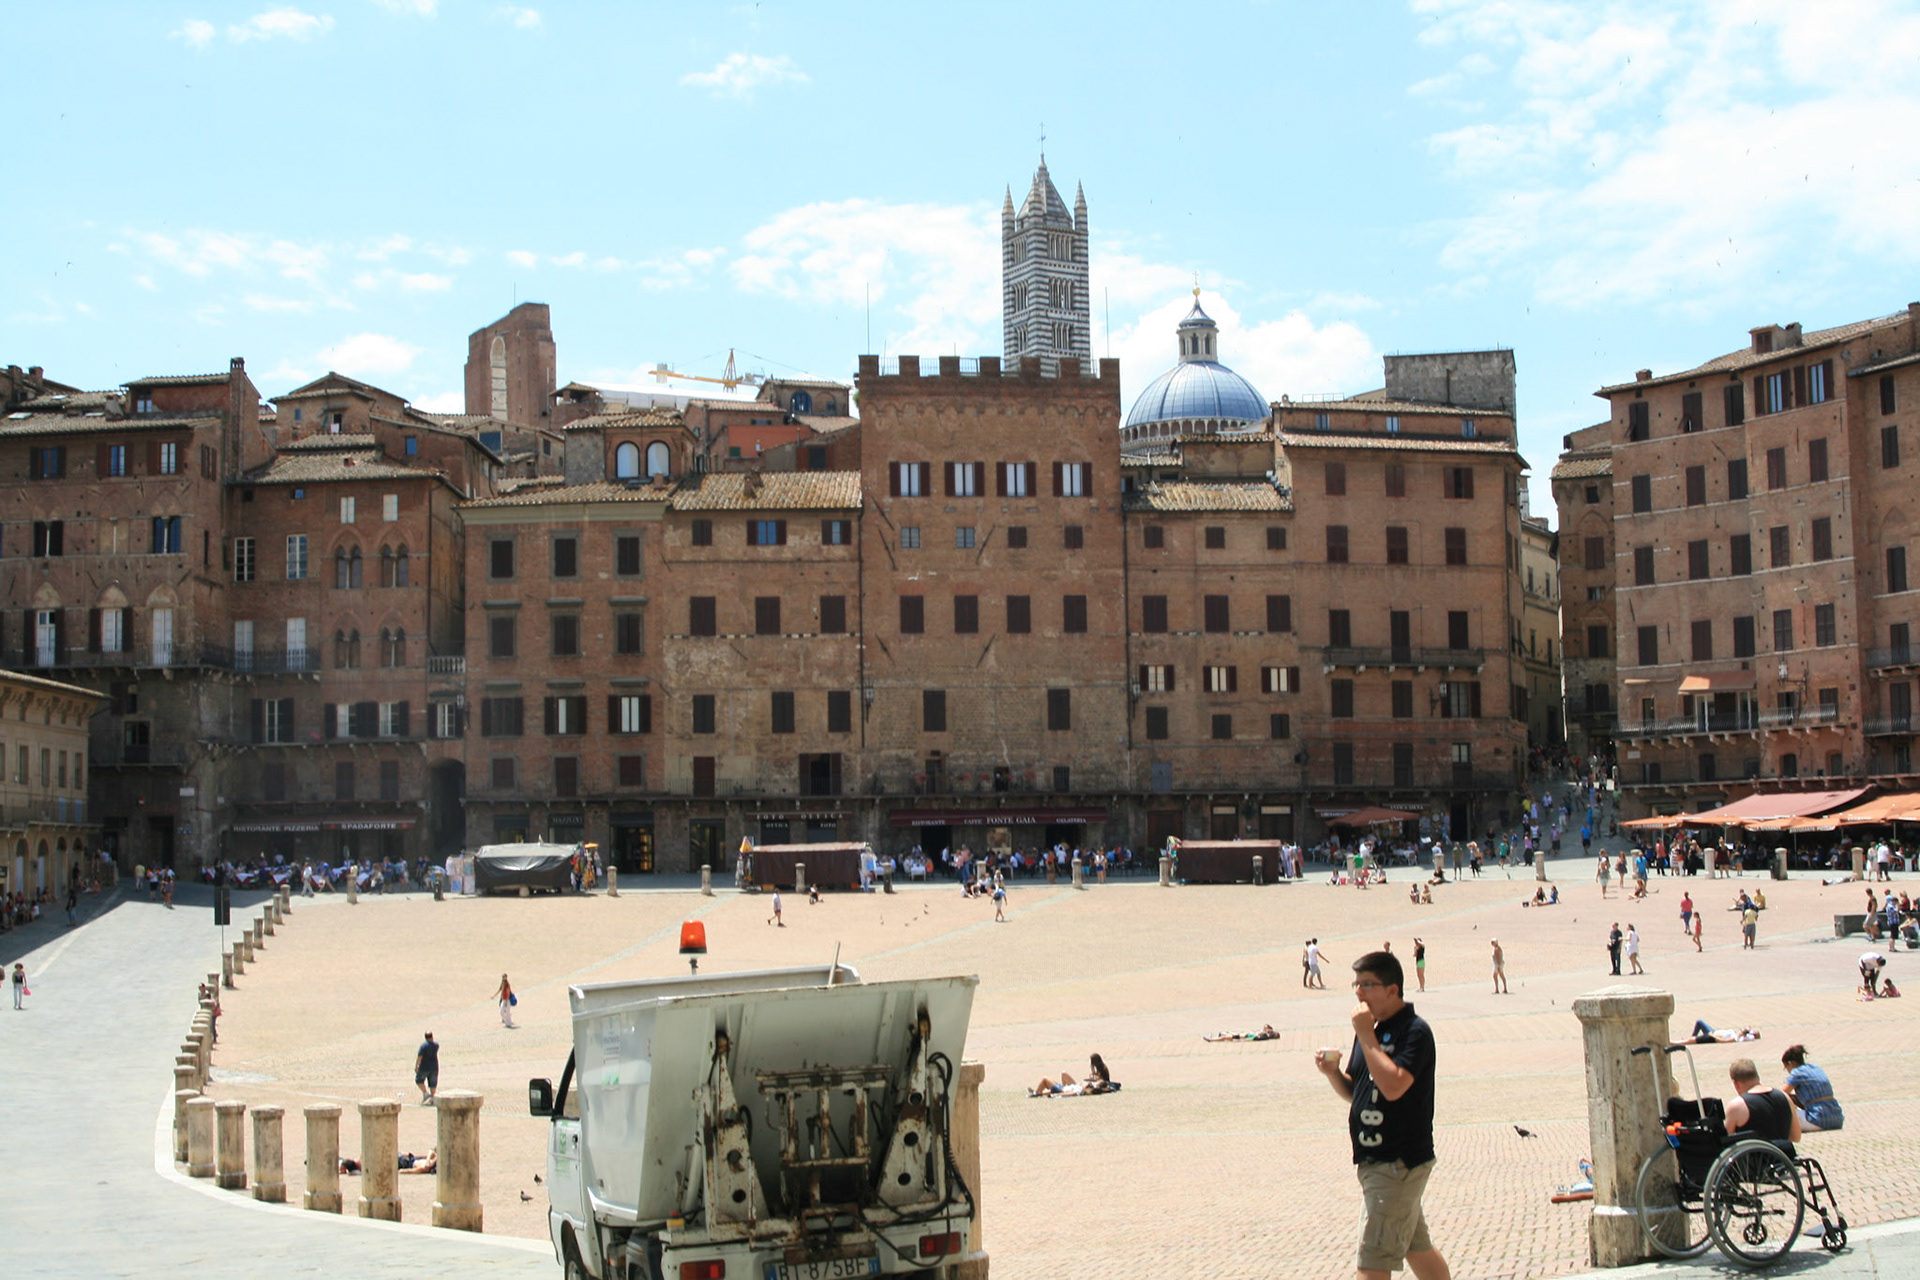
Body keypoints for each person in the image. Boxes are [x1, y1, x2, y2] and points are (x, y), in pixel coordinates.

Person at [1313, 950, 1451, 1280]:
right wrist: (1333, 1074)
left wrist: (1366, 1035)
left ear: (1393, 990)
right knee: (1417, 1248)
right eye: (1356, 984)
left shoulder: (1414, 1032)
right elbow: (1357, 1092)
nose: (1359, 993)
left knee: (1372, 1262)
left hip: (1398, 1162)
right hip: (1376, 1160)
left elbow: (1393, 1087)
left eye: (1368, 984)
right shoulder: (1370, 1032)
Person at [1722, 1058, 1801, 1145]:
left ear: (1736, 1083)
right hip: (1782, 1155)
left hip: (1752, 1157)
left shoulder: (1737, 1106)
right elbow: (1796, 1137)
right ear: (1757, 1077)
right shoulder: (1785, 1097)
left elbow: (1725, 1142)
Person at [1780, 1045, 1844, 1131]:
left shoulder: (1797, 1072)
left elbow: (1781, 1094)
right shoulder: (1816, 1068)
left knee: (1783, 1105)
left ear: (1790, 1063)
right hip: (1837, 1119)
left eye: (1786, 1067)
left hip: (1817, 1120)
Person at [415, 1031, 439, 1105]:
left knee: (418, 1080)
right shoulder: (436, 1045)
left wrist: (416, 1065)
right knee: (433, 1083)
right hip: (434, 1066)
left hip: (424, 1066)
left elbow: (420, 1057)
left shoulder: (423, 1046)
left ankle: (425, 1093)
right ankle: (432, 1098)